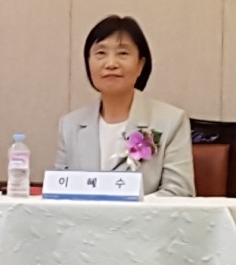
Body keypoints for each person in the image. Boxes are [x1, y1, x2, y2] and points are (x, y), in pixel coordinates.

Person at [55, 15, 195, 197]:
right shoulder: (70, 125)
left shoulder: (171, 121)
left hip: (146, 217)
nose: (111, 64)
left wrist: (126, 209)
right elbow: (59, 192)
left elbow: (180, 193)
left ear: (140, 65)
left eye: (123, 54)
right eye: (101, 53)